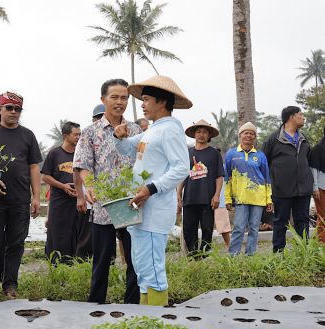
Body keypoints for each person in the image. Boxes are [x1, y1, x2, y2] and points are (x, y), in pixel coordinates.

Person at [113, 75, 192, 306]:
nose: (143, 104)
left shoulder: (170, 130)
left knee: (153, 268)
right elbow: (129, 147)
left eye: (146, 100)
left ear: (162, 102)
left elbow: (181, 168)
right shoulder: (153, 130)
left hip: (155, 208)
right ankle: (146, 315)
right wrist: (118, 137)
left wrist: (150, 188)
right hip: (141, 209)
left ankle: (159, 320)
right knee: (142, 266)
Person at [73, 79, 142, 305]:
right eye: (114, 97)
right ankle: (96, 305)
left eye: (124, 97)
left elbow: (144, 161)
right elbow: (83, 165)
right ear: (103, 100)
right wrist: (89, 185)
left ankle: (132, 305)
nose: (119, 102)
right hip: (103, 206)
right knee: (102, 259)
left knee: (135, 258)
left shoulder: (136, 130)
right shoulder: (90, 132)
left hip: (132, 204)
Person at [0, 91, 43, 304]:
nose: (13, 112)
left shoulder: (27, 135)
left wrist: (36, 197)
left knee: (16, 243)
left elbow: (33, 167)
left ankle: (10, 284)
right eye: (9, 108)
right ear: (0, 109)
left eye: (17, 109)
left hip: (20, 199)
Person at [262, 106, 313, 252]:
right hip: (281, 190)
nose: (303, 117)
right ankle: (278, 252)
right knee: (280, 221)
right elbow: (265, 162)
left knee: (302, 221)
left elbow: (308, 161)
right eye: (300, 114)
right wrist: (273, 183)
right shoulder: (274, 139)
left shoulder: (304, 139)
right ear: (291, 117)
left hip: (303, 189)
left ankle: (303, 252)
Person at [177, 119, 224, 257]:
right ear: (194, 134)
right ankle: (192, 257)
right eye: (198, 132)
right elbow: (183, 176)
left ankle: (204, 257)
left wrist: (216, 196)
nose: (201, 134)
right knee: (188, 230)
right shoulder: (187, 153)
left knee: (207, 229)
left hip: (207, 199)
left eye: (204, 132)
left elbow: (219, 176)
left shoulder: (214, 153)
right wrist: (178, 194)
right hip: (190, 198)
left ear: (209, 135)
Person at [226, 122, 273, 256]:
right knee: (239, 228)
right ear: (240, 136)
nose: (249, 135)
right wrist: (228, 198)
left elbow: (267, 179)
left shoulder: (260, 155)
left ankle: (250, 255)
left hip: (258, 198)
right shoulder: (231, 154)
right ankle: (233, 256)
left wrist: (268, 199)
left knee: (254, 228)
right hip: (240, 198)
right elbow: (227, 178)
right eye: (246, 133)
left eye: (252, 133)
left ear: (255, 137)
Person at [41, 121, 81, 263]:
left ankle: (74, 264)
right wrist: (63, 186)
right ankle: (56, 265)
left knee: (77, 233)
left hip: (78, 201)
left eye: (80, 135)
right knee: (58, 233)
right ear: (65, 136)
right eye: (75, 134)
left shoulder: (80, 154)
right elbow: (45, 176)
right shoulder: (54, 154)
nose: (78, 137)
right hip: (59, 201)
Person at [310, 126, 325, 243]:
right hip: (321, 188)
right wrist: (314, 187)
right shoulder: (318, 148)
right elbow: (313, 169)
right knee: (322, 216)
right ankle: (321, 244)